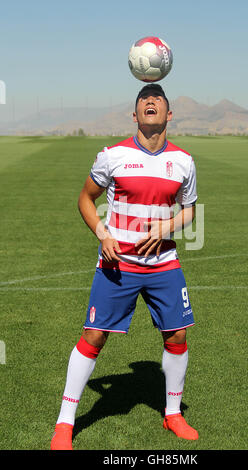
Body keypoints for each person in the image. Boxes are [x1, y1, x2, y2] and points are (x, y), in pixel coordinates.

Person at [50, 83, 198, 450]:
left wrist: (169, 225)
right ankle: (65, 423)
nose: (151, 101)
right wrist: (102, 232)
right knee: (93, 336)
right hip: (119, 265)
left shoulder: (183, 161)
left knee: (177, 335)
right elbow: (86, 198)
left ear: (169, 113)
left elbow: (191, 208)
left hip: (164, 263)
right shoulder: (112, 155)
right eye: (144, 100)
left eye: (158, 99)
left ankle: (173, 414)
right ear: (135, 115)